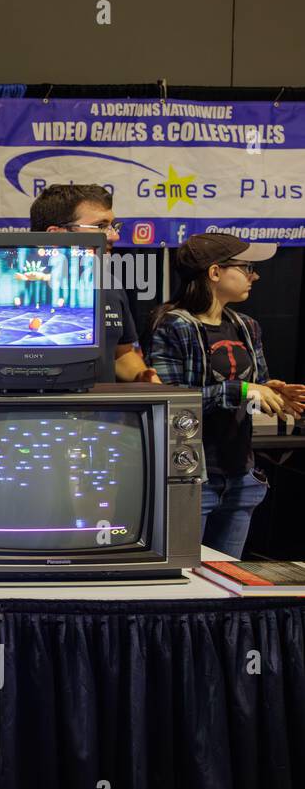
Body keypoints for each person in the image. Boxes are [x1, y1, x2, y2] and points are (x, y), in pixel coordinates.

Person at [147, 233, 305, 558]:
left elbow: (255, 385)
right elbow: (172, 402)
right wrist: (242, 390)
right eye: (246, 267)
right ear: (215, 273)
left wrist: (274, 393)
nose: (255, 275)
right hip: (193, 481)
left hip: (240, 476)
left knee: (227, 588)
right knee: (188, 582)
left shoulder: (246, 325)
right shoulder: (174, 325)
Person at [30, 184, 160, 384]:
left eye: (112, 226)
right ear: (56, 233)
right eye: (101, 226)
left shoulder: (109, 283)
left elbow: (120, 354)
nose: (114, 236)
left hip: (99, 413)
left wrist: (140, 375)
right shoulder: (26, 283)